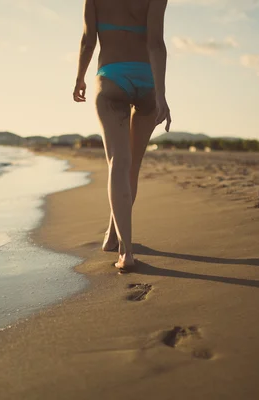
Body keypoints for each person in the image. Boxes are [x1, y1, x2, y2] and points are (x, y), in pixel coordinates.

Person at [73, 0, 172, 272]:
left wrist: (80, 77)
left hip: (111, 78)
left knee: (118, 161)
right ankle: (112, 235)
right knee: (132, 166)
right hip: (147, 82)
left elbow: (88, 41)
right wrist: (161, 94)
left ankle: (126, 252)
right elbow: (156, 44)